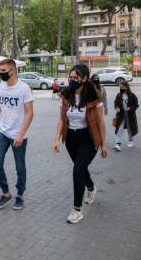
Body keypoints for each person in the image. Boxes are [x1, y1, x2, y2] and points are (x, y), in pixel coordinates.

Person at [52, 64, 108, 224]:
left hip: (89, 138)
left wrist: (103, 144)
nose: (71, 80)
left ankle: (77, 210)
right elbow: (62, 119)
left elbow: (101, 123)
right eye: (70, 77)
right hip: (70, 139)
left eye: (75, 78)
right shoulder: (66, 95)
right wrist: (56, 139)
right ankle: (91, 187)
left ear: (84, 79)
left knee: (77, 170)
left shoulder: (94, 96)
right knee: (81, 168)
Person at [0, 59, 34, 210]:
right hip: (2, 133)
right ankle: (6, 193)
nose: (1, 74)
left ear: (12, 70)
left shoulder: (24, 88)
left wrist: (20, 134)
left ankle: (20, 195)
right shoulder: (0, 87)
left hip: (18, 135)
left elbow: (30, 113)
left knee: (20, 167)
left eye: (3, 71)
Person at [113, 81, 139, 151]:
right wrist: (117, 107)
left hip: (130, 115)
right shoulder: (119, 95)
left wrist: (130, 108)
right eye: (120, 87)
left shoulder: (132, 95)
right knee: (119, 129)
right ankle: (118, 144)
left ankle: (130, 140)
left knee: (130, 129)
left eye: (122, 87)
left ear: (127, 87)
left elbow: (136, 105)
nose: (121, 88)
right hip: (121, 115)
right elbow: (116, 103)